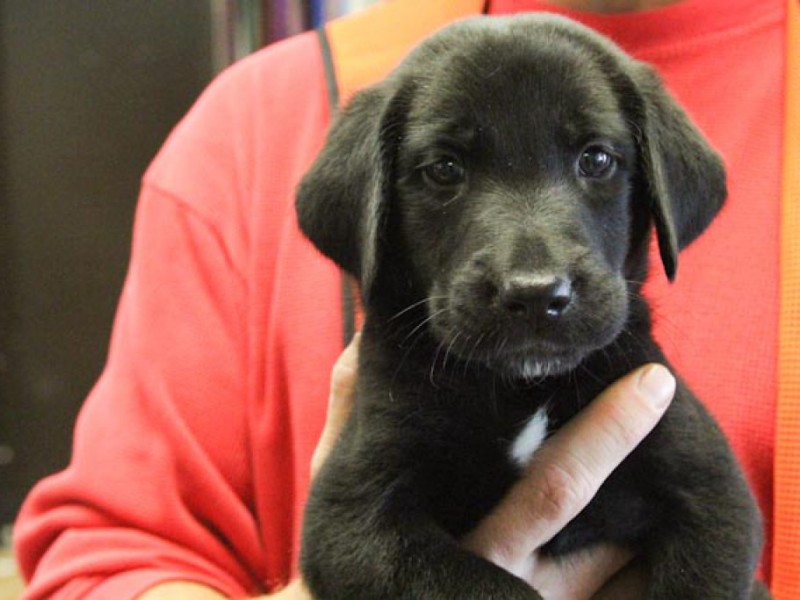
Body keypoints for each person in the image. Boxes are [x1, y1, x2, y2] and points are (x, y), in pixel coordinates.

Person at [13, 0, 791, 597]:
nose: (533, 274)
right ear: (368, 215)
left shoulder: (626, 348)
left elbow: (717, 521)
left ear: (658, 191)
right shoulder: (259, 125)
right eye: (443, 172)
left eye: (595, 159)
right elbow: (107, 563)